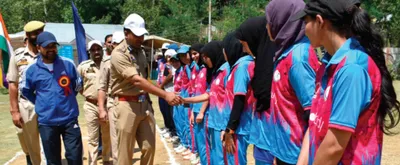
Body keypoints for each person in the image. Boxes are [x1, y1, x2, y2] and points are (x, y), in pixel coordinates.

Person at [292, 0, 400, 164]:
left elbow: (334, 145)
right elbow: (315, 121)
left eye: (306, 22)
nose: (304, 30)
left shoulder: (352, 69)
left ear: (320, 22)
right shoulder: (328, 63)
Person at [253, 1, 320, 165]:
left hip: (297, 155)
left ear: (282, 21)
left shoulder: (298, 58)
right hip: (285, 152)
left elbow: (314, 115)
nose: (267, 27)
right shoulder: (285, 54)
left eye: (270, 21)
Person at [110, 13, 181, 165]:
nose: (140, 39)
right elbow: (136, 80)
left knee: (149, 148)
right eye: (136, 35)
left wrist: (149, 100)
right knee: (125, 154)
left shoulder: (141, 51)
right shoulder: (118, 54)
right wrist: (165, 94)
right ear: (126, 33)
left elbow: (144, 78)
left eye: (142, 35)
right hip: (125, 105)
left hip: (144, 105)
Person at [20, 31, 83, 165]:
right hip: (47, 122)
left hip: (69, 119)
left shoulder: (68, 64)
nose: (51, 49)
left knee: (75, 158)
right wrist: (41, 103)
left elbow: (77, 85)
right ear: (38, 48)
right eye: (47, 46)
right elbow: (26, 90)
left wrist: (67, 100)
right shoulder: (31, 69)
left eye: (53, 46)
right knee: (53, 161)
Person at [184, 40, 229, 165]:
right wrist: (185, 100)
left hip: (221, 123)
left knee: (220, 157)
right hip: (213, 121)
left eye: (206, 56)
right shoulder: (215, 73)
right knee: (214, 154)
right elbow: (207, 94)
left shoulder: (226, 71)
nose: (204, 59)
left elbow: (232, 100)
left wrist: (228, 126)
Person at [7, 20, 44, 165]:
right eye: (36, 33)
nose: (39, 36)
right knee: (29, 139)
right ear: (28, 35)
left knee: (48, 138)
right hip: (27, 105)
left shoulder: (47, 53)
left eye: (41, 32)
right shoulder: (17, 56)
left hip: (46, 103)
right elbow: (13, 84)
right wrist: (14, 111)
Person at [78, 40, 112, 165]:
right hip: (90, 105)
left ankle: (106, 159)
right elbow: (77, 84)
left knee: (107, 135)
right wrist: (87, 95)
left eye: (98, 49)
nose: (96, 52)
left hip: (108, 105)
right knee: (92, 137)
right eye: (93, 50)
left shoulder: (109, 64)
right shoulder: (83, 66)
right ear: (89, 52)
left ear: (102, 50)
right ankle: (92, 162)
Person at [97, 32, 125, 164]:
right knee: (115, 140)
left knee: (126, 140)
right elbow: (102, 87)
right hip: (114, 103)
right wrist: (101, 109)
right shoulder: (107, 63)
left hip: (130, 104)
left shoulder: (130, 59)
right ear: (112, 45)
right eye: (116, 43)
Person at [175, 45, 193, 155]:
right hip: (185, 99)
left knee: (190, 125)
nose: (182, 58)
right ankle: (187, 145)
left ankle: (192, 148)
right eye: (180, 56)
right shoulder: (186, 68)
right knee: (184, 122)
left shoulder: (194, 67)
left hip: (192, 100)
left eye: (184, 55)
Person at [157, 42, 172, 135]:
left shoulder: (170, 63)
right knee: (162, 109)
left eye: (165, 50)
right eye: (163, 50)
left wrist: (161, 86)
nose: (164, 52)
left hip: (166, 88)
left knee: (168, 110)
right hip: (160, 88)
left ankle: (171, 129)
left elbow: (170, 76)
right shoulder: (160, 62)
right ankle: (167, 126)